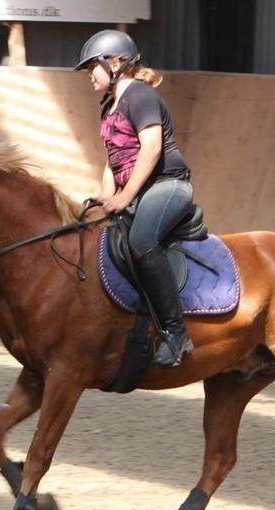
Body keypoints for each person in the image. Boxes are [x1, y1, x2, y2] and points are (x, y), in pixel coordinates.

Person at [75, 29, 194, 368]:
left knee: (141, 239)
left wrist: (124, 196)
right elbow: (113, 159)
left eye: (91, 68)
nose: (89, 76)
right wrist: (106, 194)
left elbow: (152, 148)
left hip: (168, 185)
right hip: (137, 190)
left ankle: (176, 333)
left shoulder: (139, 96)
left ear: (115, 63)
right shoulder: (109, 107)